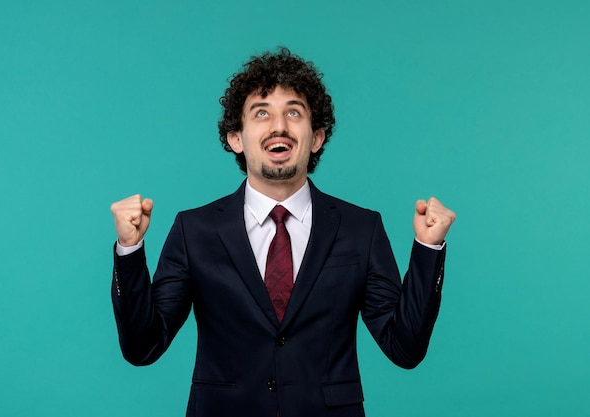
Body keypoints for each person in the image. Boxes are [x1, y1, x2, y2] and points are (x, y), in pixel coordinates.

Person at [110, 47, 456, 417]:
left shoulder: (361, 229)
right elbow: (143, 347)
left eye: (294, 112)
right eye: (261, 113)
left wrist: (427, 248)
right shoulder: (194, 230)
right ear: (236, 139)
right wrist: (130, 251)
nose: (279, 126)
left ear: (317, 137)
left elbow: (404, 348)